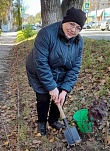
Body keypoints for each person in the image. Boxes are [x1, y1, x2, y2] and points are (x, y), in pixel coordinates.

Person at [26, 7, 86, 136]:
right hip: (39, 69)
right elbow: (40, 63)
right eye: (71, 24)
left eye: (78, 28)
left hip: (61, 72)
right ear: (64, 21)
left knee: (60, 98)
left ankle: (53, 120)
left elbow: (75, 67)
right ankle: (41, 122)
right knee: (43, 97)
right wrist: (52, 87)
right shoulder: (46, 34)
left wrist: (64, 90)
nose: (73, 30)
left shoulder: (79, 41)